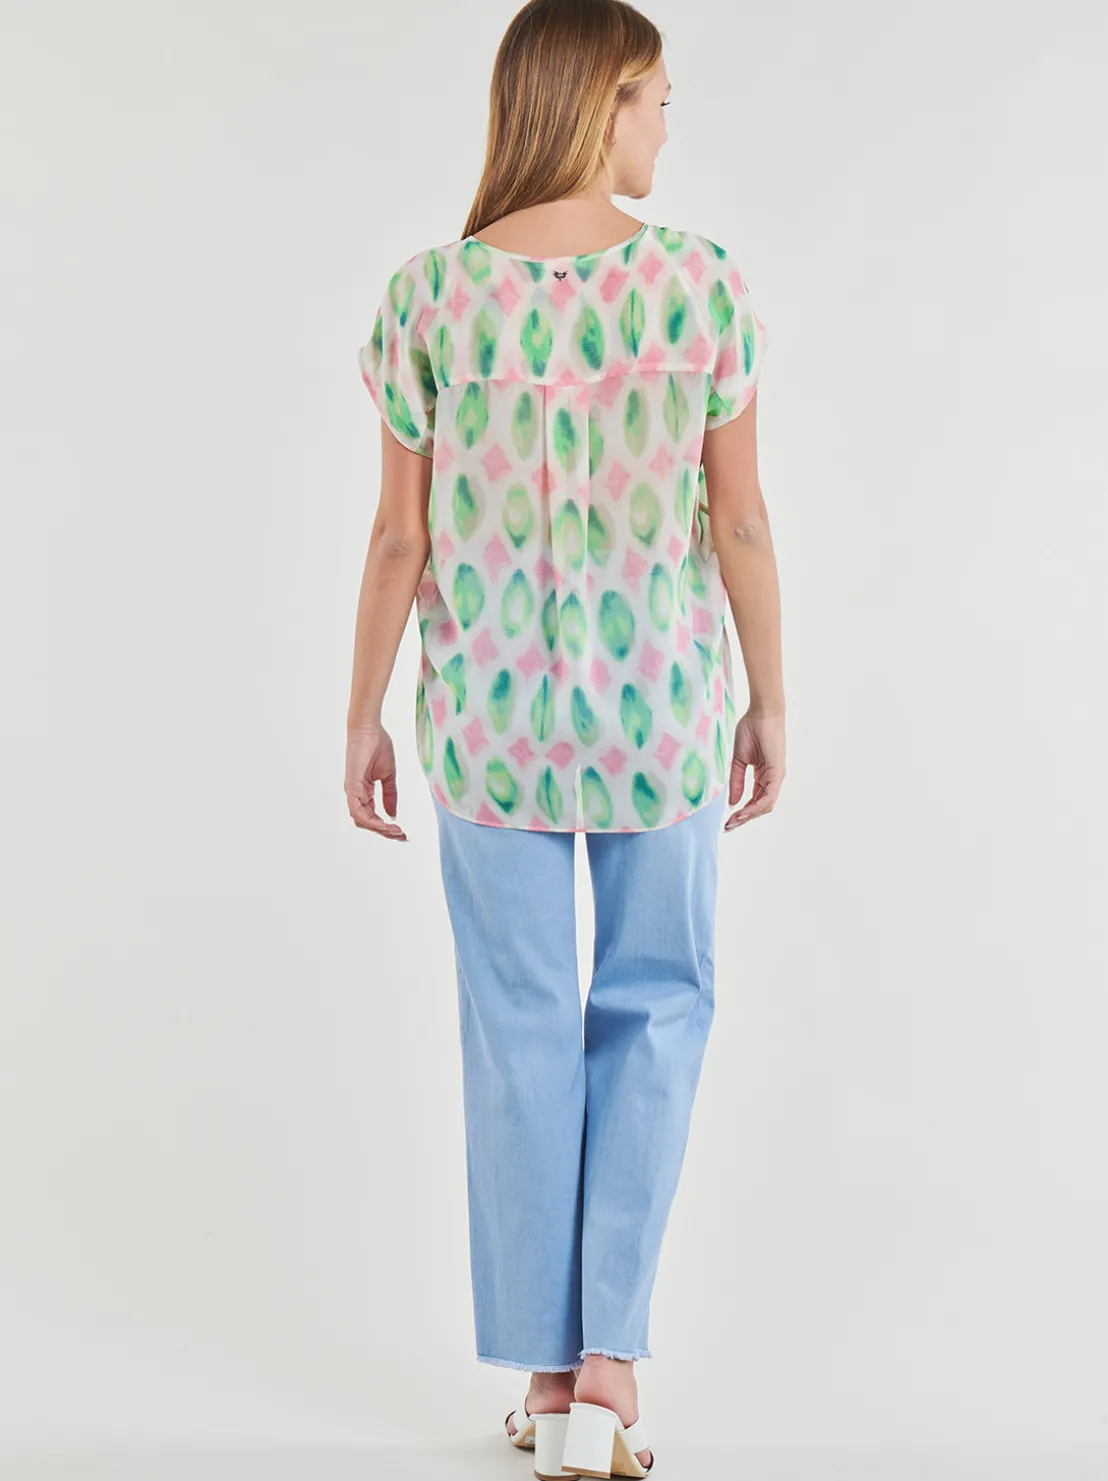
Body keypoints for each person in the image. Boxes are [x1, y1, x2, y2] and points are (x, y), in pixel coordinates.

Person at [346, 0, 786, 1473]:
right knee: (656, 1006)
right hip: (660, 718)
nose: (667, 126)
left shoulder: (428, 298)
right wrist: (770, 697)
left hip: (488, 727)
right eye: (656, 98)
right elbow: (740, 522)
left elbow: (399, 541)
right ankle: (610, 1370)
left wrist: (362, 713)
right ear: (600, 102)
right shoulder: (700, 287)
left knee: (518, 1030)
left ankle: (546, 1386)